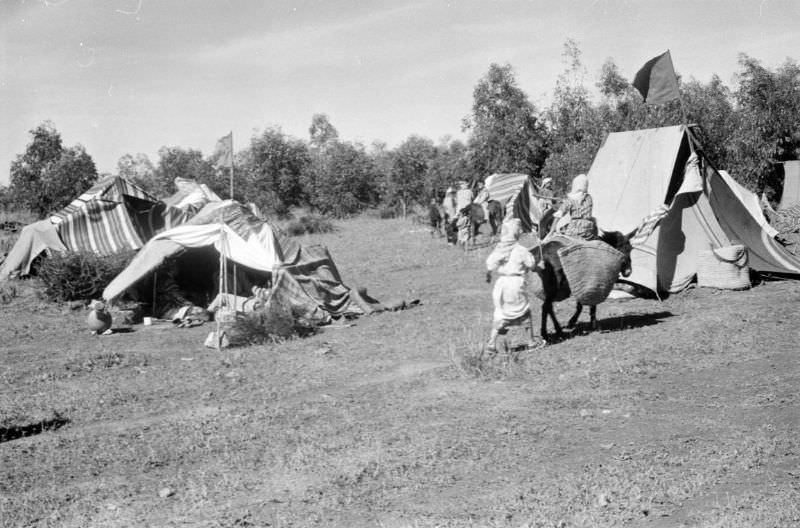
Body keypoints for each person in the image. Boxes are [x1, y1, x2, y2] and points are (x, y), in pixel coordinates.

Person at [485, 218, 538, 352]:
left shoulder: (500, 249)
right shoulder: (521, 250)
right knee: (524, 311)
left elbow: (490, 264)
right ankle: (531, 342)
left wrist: (490, 274)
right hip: (515, 283)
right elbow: (531, 264)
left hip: (501, 284)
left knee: (501, 313)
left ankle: (491, 343)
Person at [553, 173, 597, 240]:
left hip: (574, 229)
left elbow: (559, 215)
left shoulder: (570, 200)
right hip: (588, 230)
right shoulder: (589, 198)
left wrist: (551, 231)